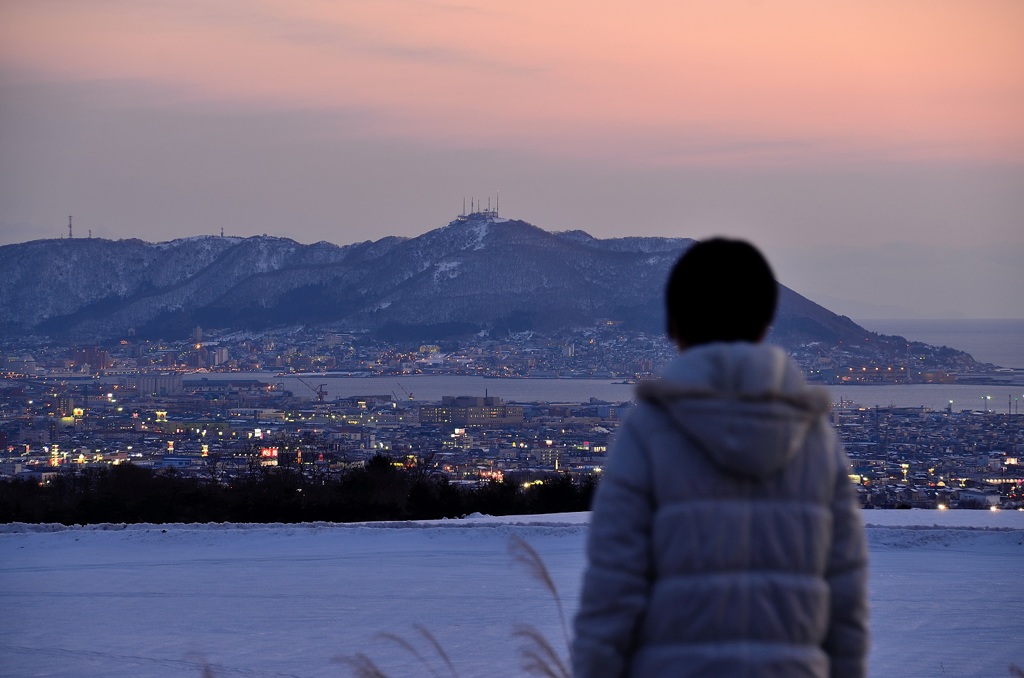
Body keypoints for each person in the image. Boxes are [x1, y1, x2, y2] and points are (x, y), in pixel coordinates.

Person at [572, 238, 869, 678]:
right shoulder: (814, 439)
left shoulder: (649, 431)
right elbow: (845, 606)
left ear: (675, 327)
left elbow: (611, 596)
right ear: (766, 324)